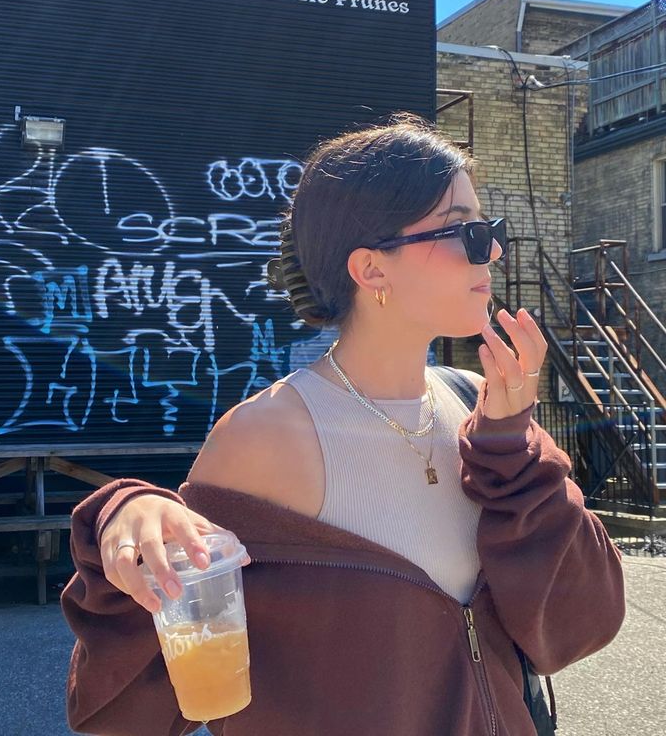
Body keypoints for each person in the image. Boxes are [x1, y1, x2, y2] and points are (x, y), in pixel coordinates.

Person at [62, 115, 625, 736]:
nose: (491, 250)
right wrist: (125, 510)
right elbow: (130, 700)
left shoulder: (479, 405)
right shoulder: (270, 436)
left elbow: (581, 621)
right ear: (372, 271)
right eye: (465, 231)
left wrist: (512, 447)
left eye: (489, 230)